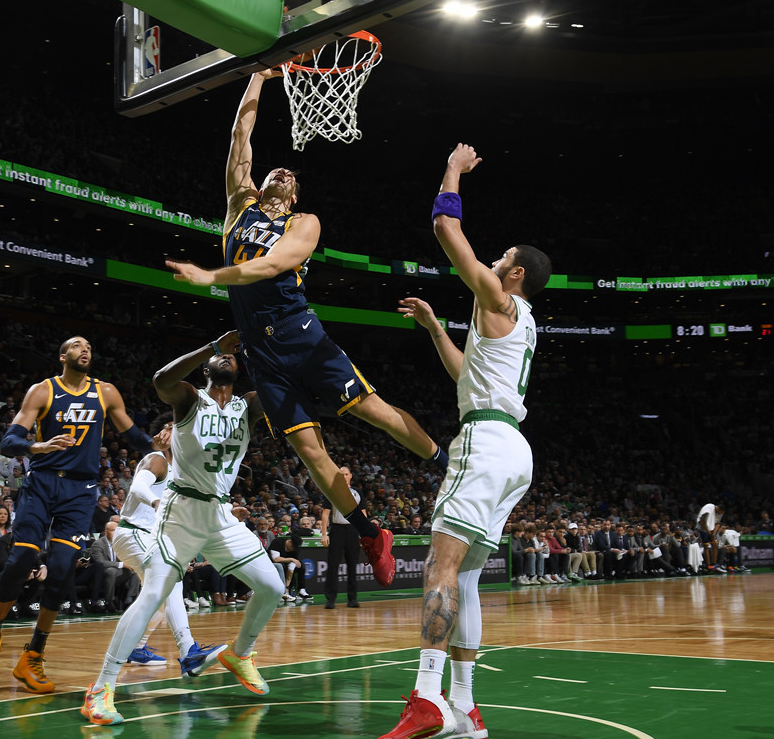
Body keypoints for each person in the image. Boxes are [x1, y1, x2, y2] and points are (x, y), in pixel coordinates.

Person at [166, 70, 450, 589]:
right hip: (261, 353)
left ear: (293, 198)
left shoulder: (304, 223)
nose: (284, 172)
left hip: (302, 336)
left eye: (292, 177)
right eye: (278, 171)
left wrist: (212, 276)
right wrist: (258, 76)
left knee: (376, 413)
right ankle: (370, 532)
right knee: (310, 452)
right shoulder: (238, 208)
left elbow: (275, 266)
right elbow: (240, 138)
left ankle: (447, 462)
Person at [381, 143, 551, 739]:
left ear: (517, 273)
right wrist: (433, 328)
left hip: (483, 443)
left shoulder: (499, 298)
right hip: (515, 452)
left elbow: (446, 228)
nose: (497, 260)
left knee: (440, 567)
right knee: (469, 576)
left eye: (503, 257)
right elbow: (467, 376)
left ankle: (426, 697)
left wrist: (453, 168)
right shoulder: (519, 325)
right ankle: (465, 709)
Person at [82, 332, 285, 726]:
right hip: (181, 510)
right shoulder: (191, 398)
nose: (225, 360)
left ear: (239, 370)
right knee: (156, 591)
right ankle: (102, 687)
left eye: (231, 359)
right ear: (209, 370)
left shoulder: (249, 406)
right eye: (218, 359)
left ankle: (240, 654)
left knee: (273, 586)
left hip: (220, 514)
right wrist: (213, 346)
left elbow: (284, 385)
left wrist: (261, 345)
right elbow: (161, 380)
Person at [0, 336, 155, 693]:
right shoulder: (43, 391)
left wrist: (162, 444)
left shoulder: (106, 392)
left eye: (90, 347)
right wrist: (39, 445)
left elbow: (134, 436)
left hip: (80, 491)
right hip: (42, 483)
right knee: (22, 558)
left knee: (64, 568)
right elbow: (8, 442)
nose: (86, 350)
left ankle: (33, 655)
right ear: (63, 355)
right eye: (78, 346)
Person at [99, 410, 226, 669]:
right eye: (170, 428)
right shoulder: (156, 459)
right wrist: (155, 500)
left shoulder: (183, 471)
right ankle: (189, 650)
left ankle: (136, 647)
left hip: (150, 538)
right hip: (133, 531)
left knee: (156, 595)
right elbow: (136, 488)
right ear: (162, 435)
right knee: (171, 584)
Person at [321, 465, 361, 609]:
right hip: (337, 529)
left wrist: (364, 534)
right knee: (333, 566)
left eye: (346, 474)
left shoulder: (357, 493)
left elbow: (363, 515)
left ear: (350, 476)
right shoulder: (331, 491)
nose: (344, 476)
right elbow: (325, 514)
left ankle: (352, 599)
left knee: (352, 566)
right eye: (341, 474)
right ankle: (330, 599)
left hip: (353, 530)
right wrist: (324, 533)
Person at [697, 503, 725, 573]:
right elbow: (702, 522)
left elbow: (718, 523)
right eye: (720, 512)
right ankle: (708, 566)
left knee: (715, 545)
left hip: (711, 529)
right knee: (706, 546)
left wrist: (713, 534)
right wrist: (709, 533)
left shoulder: (720, 513)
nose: (720, 514)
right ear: (718, 508)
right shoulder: (709, 507)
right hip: (703, 529)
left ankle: (714, 565)